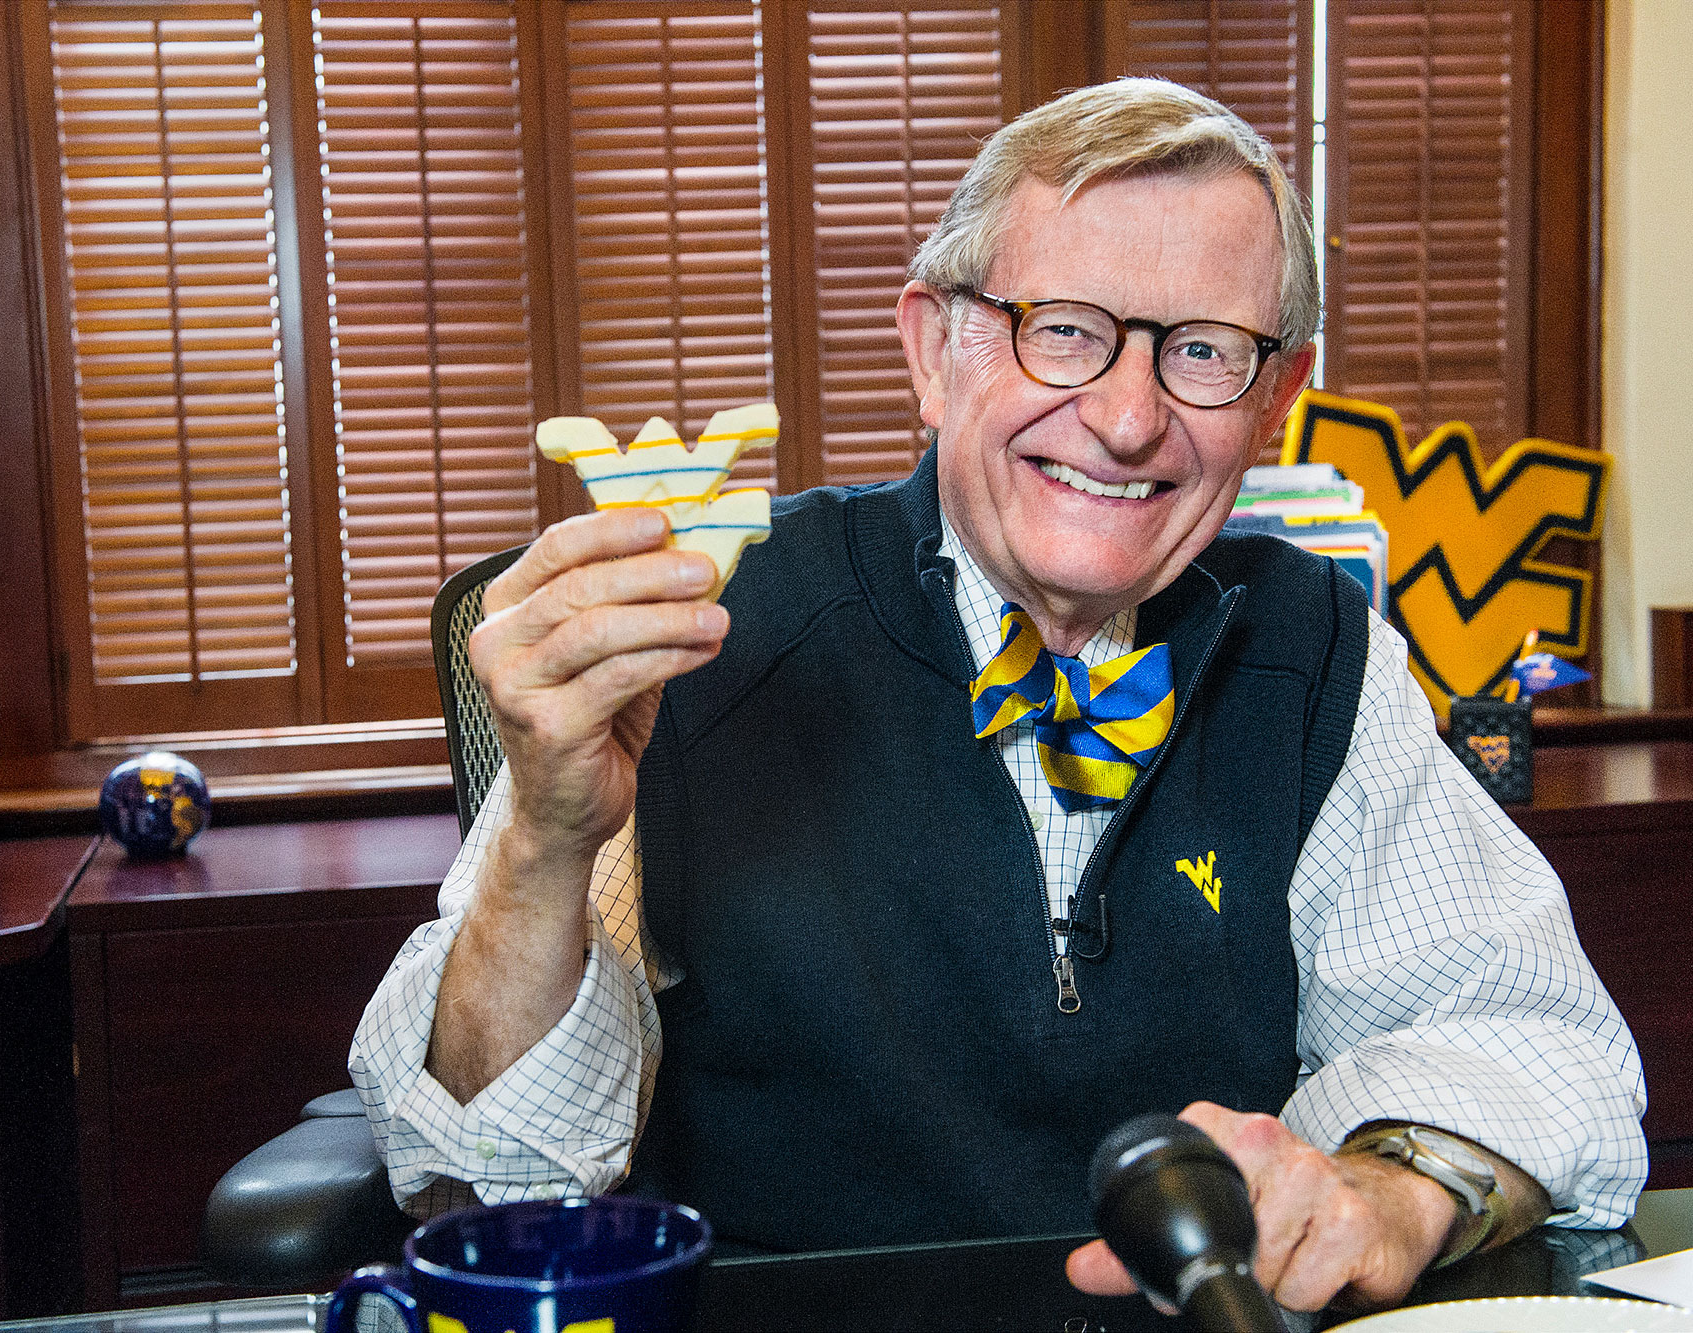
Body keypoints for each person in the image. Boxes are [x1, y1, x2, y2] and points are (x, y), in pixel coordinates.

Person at [351, 78, 1646, 1315]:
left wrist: (1387, 1194)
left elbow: (1543, 1050)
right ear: (934, 347)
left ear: (1276, 400)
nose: (1129, 419)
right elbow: (486, 1174)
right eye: (1065, 329)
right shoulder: (697, 630)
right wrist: (546, 833)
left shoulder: (1316, 653)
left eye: (1202, 350)